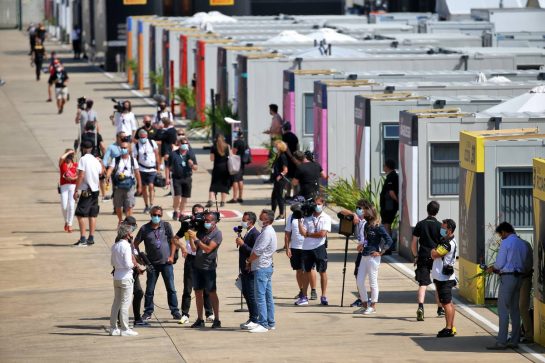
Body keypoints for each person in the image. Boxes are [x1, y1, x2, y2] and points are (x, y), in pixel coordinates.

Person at [486, 222, 531, 350]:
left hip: (508, 277)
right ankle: (515, 340)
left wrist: (492, 269)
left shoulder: (506, 242)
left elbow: (499, 264)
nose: (501, 237)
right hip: (520, 277)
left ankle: (501, 341)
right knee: (515, 309)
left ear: (504, 232)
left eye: (501, 235)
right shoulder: (523, 243)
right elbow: (527, 263)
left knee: (503, 309)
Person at [134, 206, 181, 321]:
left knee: (171, 288)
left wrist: (171, 256)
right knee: (150, 289)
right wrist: (139, 257)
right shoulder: (145, 229)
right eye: (154, 215)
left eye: (159, 215)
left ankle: (175, 311)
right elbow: (135, 244)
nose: (157, 217)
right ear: (151, 214)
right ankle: (148, 311)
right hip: (152, 265)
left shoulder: (166, 226)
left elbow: (173, 241)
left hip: (166, 263)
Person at [173, 204, 215, 324]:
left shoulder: (206, 226)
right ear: (192, 214)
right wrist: (182, 247)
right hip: (191, 259)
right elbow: (175, 238)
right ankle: (185, 314)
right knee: (187, 288)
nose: (199, 216)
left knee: (206, 287)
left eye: (201, 214)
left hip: (204, 259)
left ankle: (209, 313)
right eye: (196, 213)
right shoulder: (187, 225)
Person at [353, 204, 393, 315]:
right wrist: (362, 246)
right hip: (364, 255)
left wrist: (381, 252)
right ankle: (364, 304)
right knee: (359, 281)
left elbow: (389, 240)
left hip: (373, 257)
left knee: (372, 282)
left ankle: (373, 306)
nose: (363, 213)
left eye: (365, 212)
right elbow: (366, 239)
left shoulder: (378, 226)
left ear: (371, 213)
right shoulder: (366, 225)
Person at [187, 212, 223, 328]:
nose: (206, 222)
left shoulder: (217, 234)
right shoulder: (202, 231)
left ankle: (217, 319)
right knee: (197, 292)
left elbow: (208, 249)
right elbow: (194, 248)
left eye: (208, 221)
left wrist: (196, 239)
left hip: (209, 268)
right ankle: (199, 319)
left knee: (212, 292)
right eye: (205, 220)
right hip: (197, 266)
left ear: (214, 222)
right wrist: (191, 235)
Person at [411, 201, 444, 321]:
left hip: (423, 256)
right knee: (438, 283)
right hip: (436, 257)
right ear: (437, 211)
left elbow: (414, 243)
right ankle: (440, 309)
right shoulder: (441, 226)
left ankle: (420, 307)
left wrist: (415, 256)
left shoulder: (420, 224)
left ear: (427, 210)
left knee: (423, 284)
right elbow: (443, 244)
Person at [296, 196, 332, 306]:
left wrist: (309, 234)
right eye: (315, 204)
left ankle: (324, 296)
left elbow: (322, 234)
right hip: (307, 248)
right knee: (307, 272)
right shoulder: (307, 217)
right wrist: (299, 220)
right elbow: (302, 233)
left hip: (319, 247)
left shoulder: (326, 217)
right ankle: (304, 297)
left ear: (323, 205)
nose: (316, 206)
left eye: (319, 204)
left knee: (322, 271)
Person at [246, 209, 277, 333]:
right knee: (268, 296)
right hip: (265, 266)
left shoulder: (267, 233)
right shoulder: (267, 231)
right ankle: (270, 322)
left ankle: (263, 323)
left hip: (261, 268)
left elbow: (258, 252)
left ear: (267, 220)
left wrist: (249, 261)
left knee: (260, 297)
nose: (259, 219)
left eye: (261, 218)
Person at [109, 223, 138, 337]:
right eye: (130, 233)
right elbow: (127, 263)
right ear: (127, 234)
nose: (131, 235)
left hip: (117, 277)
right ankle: (125, 328)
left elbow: (112, 262)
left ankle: (113, 327)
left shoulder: (115, 245)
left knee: (116, 303)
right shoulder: (126, 246)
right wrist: (133, 265)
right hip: (126, 277)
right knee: (125, 304)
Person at [73, 140, 104, 246]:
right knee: (92, 214)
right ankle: (91, 237)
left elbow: (81, 175)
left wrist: (76, 190)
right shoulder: (96, 160)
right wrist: (101, 162)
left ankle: (82, 238)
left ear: (83, 148)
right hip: (95, 190)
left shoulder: (83, 159)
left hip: (87, 190)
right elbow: (101, 173)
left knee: (80, 214)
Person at [431, 219, 457, 337]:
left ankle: (448, 328)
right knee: (449, 303)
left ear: (449, 230)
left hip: (444, 278)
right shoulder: (448, 241)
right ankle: (451, 327)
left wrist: (432, 251)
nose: (441, 229)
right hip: (445, 276)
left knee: (446, 304)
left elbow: (435, 254)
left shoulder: (447, 243)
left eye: (443, 227)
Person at [106, 141, 142, 225]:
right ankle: (120, 220)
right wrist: (107, 176)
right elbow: (111, 168)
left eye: (125, 148)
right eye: (122, 148)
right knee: (118, 205)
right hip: (118, 185)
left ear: (129, 149)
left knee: (129, 205)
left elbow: (137, 173)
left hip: (130, 185)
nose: (123, 149)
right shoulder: (116, 159)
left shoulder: (133, 160)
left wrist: (139, 186)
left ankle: (128, 222)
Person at [285, 209, 318, 301]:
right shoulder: (292, 216)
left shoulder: (311, 215)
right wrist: (287, 248)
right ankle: (302, 291)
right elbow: (287, 233)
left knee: (310, 269)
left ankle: (313, 290)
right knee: (299, 270)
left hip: (308, 247)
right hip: (295, 247)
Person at [236, 212, 260, 330]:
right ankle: (251, 317)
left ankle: (255, 318)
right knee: (246, 293)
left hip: (250, 268)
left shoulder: (255, 234)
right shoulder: (247, 232)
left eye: (244, 220)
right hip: (244, 269)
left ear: (251, 221)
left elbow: (254, 252)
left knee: (251, 294)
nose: (242, 221)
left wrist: (243, 244)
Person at [166, 137, 197, 220]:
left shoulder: (191, 154)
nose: (184, 145)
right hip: (177, 178)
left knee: (185, 197)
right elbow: (168, 167)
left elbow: (196, 167)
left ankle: (182, 212)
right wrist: (167, 178)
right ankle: (175, 210)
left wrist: (192, 165)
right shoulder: (173, 154)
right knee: (177, 195)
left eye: (186, 143)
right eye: (182, 143)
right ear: (179, 144)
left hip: (187, 178)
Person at [133, 129, 160, 214]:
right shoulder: (136, 145)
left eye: (144, 137)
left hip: (152, 169)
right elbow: (134, 158)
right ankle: (146, 205)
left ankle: (151, 204)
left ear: (147, 136)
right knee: (144, 188)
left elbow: (157, 154)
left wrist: (158, 167)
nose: (142, 139)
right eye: (141, 137)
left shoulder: (152, 143)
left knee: (151, 186)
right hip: (142, 169)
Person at [206, 134, 230, 208]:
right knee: (224, 185)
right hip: (225, 168)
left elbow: (212, 159)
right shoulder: (227, 146)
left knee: (213, 185)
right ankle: (222, 201)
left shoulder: (213, 147)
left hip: (217, 168)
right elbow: (230, 156)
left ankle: (210, 200)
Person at [58, 149, 78, 233]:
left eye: (71, 156)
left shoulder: (76, 165)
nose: (69, 158)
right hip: (64, 186)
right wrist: (68, 153)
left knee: (71, 205)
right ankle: (66, 221)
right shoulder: (62, 164)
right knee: (64, 206)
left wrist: (72, 178)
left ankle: (70, 224)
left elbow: (79, 175)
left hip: (73, 186)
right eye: (68, 156)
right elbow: (61, 158)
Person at [519, 238, 534, 343]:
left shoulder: (524, 246)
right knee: (518, 307)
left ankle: (529, 335)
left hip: (524, 279)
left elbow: (527, 266)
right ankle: (520, 331)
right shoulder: (522, 245)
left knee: (523, 307)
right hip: (517, 279)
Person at [380, 159, 399, 238]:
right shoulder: (391, 176)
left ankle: (388, 245)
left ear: (388, 167)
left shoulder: (392, 177)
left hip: (389, 206)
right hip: (388, 206)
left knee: (387, 225)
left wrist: (397, 201)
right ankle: (388, 244)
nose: (383, 167)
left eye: (384, 165)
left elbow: (391, 192)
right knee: (386, 224)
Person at [271, 140, 289, 220]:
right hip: (276, 180)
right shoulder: (277, 155)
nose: (274, 147)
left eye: (276, 146)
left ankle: (281, 214)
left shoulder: (283, 156)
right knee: (274, 197)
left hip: (280, 180)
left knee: (279, 197)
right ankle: (272, 213)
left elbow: (285, 170)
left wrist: (280, 176)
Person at [281, 122, 299, 197]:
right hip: (295, 159)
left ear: (284, 128)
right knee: (294, 177)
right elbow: (298, 147)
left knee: (287, 177)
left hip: (287, 159)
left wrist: (290, 156)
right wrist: (296, 158)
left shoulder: (284, 136)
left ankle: (288, 194)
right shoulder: (295, 136)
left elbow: (286, 147)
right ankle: (295, 194)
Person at [228, 131, 247, 203]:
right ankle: (240, 197)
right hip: (242, 163)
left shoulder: (237, 142)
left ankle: (235, 198)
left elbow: (234, 152)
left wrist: (230, 151)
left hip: (236, 162)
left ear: (237, 135)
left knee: (235, 180)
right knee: (240, 179)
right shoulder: (245, 142)